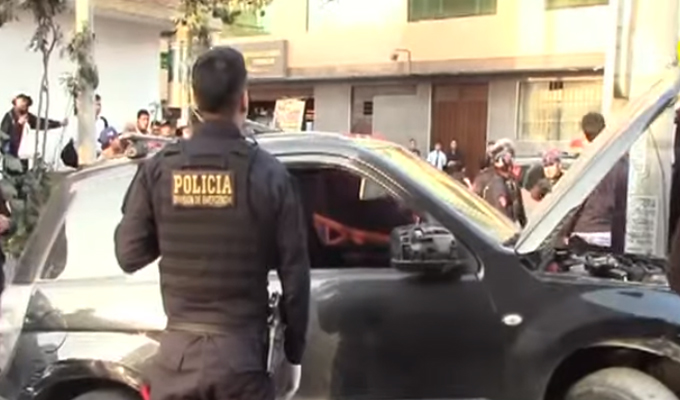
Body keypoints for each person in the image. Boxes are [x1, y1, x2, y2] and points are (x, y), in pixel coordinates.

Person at [114, 46, 310, 400]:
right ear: (244, 99)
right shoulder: (270, 175)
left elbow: (129, 255)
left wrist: (175, 219)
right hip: (242, 368)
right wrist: (293, 356)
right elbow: (295, 280)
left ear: (195, 100)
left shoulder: (159, 169)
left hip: (176, 366)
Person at [563, 112, 628, 253]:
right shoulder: (621, 159)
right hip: (609, 232)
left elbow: (574, 203)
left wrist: (565, 232)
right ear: (605, 129)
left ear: (586, 135)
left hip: (583, 231)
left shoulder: (585, 163)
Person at [0, 94, 67, 170]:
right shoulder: (9, 117)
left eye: (27, 103)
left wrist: (59, 124)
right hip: (10, 156)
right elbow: (4, 138)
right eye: (23, 101)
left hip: (20, 155)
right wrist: (18, 125)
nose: (25, 104)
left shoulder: (26, 116)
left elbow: (41, 123)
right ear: (16, 101)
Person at [480, 140, 527, 227]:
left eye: (511, 158)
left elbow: (521, 212)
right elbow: (501, 214)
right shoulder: (490, 181)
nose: (510, 162)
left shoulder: (512, 182)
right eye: (507, 158)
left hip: (510, 228)